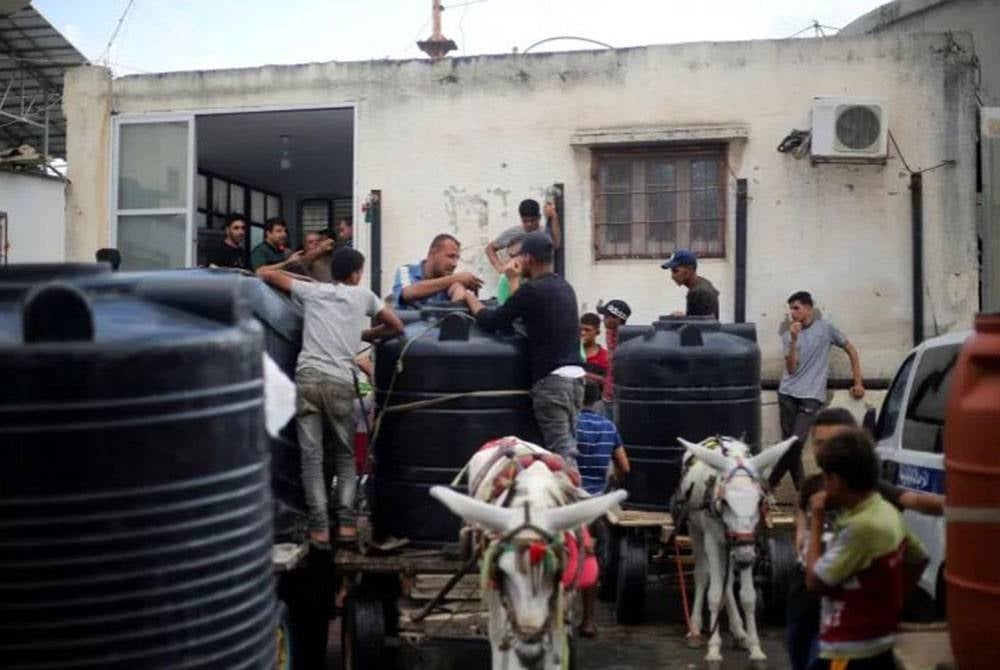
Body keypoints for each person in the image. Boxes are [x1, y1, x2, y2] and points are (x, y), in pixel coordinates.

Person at [258, 247, 404, 545]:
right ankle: (348, 526)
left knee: (311, 458)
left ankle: (319, 528)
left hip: (308, 380)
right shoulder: (364, 296)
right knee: (344, 456)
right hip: (339, 382)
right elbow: (396, 325)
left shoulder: (312, 292)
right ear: (355, 274)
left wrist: (292, 265)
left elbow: (263, 274)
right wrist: (363, 335)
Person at [805, 428, 929, 670]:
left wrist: (816, 520)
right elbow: (919, 557)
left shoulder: (861, 528)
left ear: (836, 481)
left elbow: (814, 580)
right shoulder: (884, 510)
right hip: (876, 643)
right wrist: (891, 604)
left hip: (850, 651)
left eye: (825, 478)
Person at [463, 231, 584, 463]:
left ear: (526, 259)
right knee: (567, 445)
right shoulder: (564, 287)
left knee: (561, 454)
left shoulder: (531, 291)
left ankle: (575, 497)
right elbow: (527, 315)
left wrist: (468, 297)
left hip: (552, 383)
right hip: (576, 379)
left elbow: (492, 321)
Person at [770, 291, 865, 491]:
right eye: (790, 309)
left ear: (808, 308)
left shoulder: (826, 329)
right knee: (791, 446)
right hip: (787, 393)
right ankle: (804, 496)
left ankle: (768, 483)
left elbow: (851, 350)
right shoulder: (788, 335)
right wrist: (794, 340)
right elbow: (791, 369)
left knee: (794, 445)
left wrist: (859, 382)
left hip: (811, 396)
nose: (792, 313)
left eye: (796, 308)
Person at [576, 380, 630, 638]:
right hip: (596, 502)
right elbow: (625, 467)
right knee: (591, 556)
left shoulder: (568, 426)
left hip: (569, 500)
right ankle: (589, 621)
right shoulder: (609, 427)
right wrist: (613, 483)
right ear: (598, 402)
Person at [391, 233, 482, 308]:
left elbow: (458, 310)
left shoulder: (449, 279)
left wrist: (460, 289)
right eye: (450, 256)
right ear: (432, 253)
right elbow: (408, 293)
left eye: (457, 258)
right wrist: (455, 279)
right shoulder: (406, 270)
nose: (455, 264)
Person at [484, 198, 562, 273]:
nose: (529, 224)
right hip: (518, 280)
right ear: (521, 218)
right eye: (525, 221)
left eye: (532, 220)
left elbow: (556, 244)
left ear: (539, 217)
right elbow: (490, 248)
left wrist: (554, 217)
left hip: (539, 280)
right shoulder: (514, 232)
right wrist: (500, 268)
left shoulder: (544, 233)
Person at [661, 250, 719, 319]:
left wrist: (679, 319)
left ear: (690, 269)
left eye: (675, 271)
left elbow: (697, 328)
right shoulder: (705, 283)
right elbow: (701, 321)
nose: (672, 276)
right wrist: (684, 317)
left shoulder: (697, 293)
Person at [596, 299, 631, 409]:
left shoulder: (623, 341)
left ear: (618, 319)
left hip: (616, 398)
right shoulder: (610, 333)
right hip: (608, 395)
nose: (603, 320)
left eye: (606, 317)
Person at [580, 312, 609, 385]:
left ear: (597, 332)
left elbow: (609, 382)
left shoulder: (605, 356)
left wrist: (584, 375)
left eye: (587, 330)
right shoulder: (572, 353)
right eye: (580, 329)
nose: (582, 333)